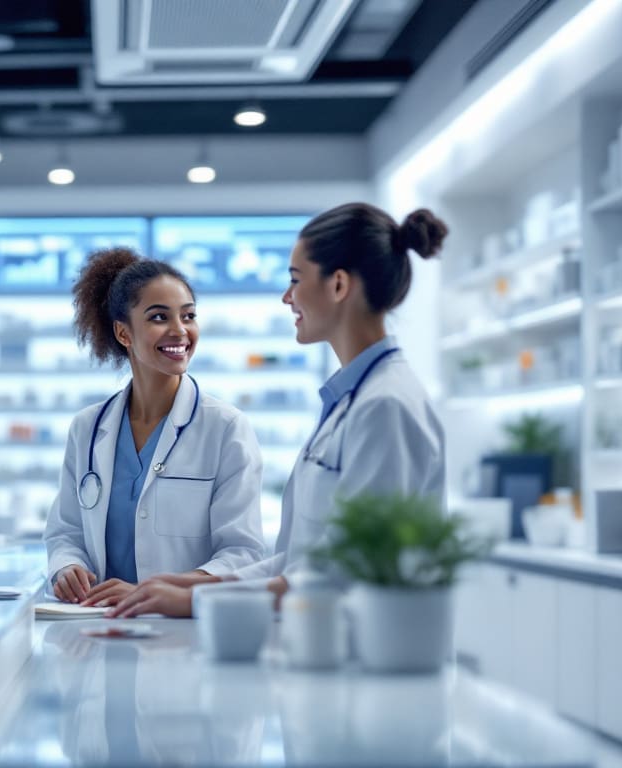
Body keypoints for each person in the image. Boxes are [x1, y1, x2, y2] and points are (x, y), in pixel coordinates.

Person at [107, 204, 448, 618]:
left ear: (338, 285)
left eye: (295, 280)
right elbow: (300, 560)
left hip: (376, 656)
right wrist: (197, 582)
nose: (287, 297)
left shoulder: (387, 407)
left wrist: (197, 600)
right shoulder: (354, 401)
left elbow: (350, 569)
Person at [46, 247, 266, 605]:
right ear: (123, 333)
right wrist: (66, 566)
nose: (180, 331)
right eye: (159, 317)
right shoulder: (87, 428)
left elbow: (242, 552)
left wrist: (156, 592)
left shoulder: (225, 427)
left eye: (189, 316)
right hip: (97, 624)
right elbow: (66, 531)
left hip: (184, 632)